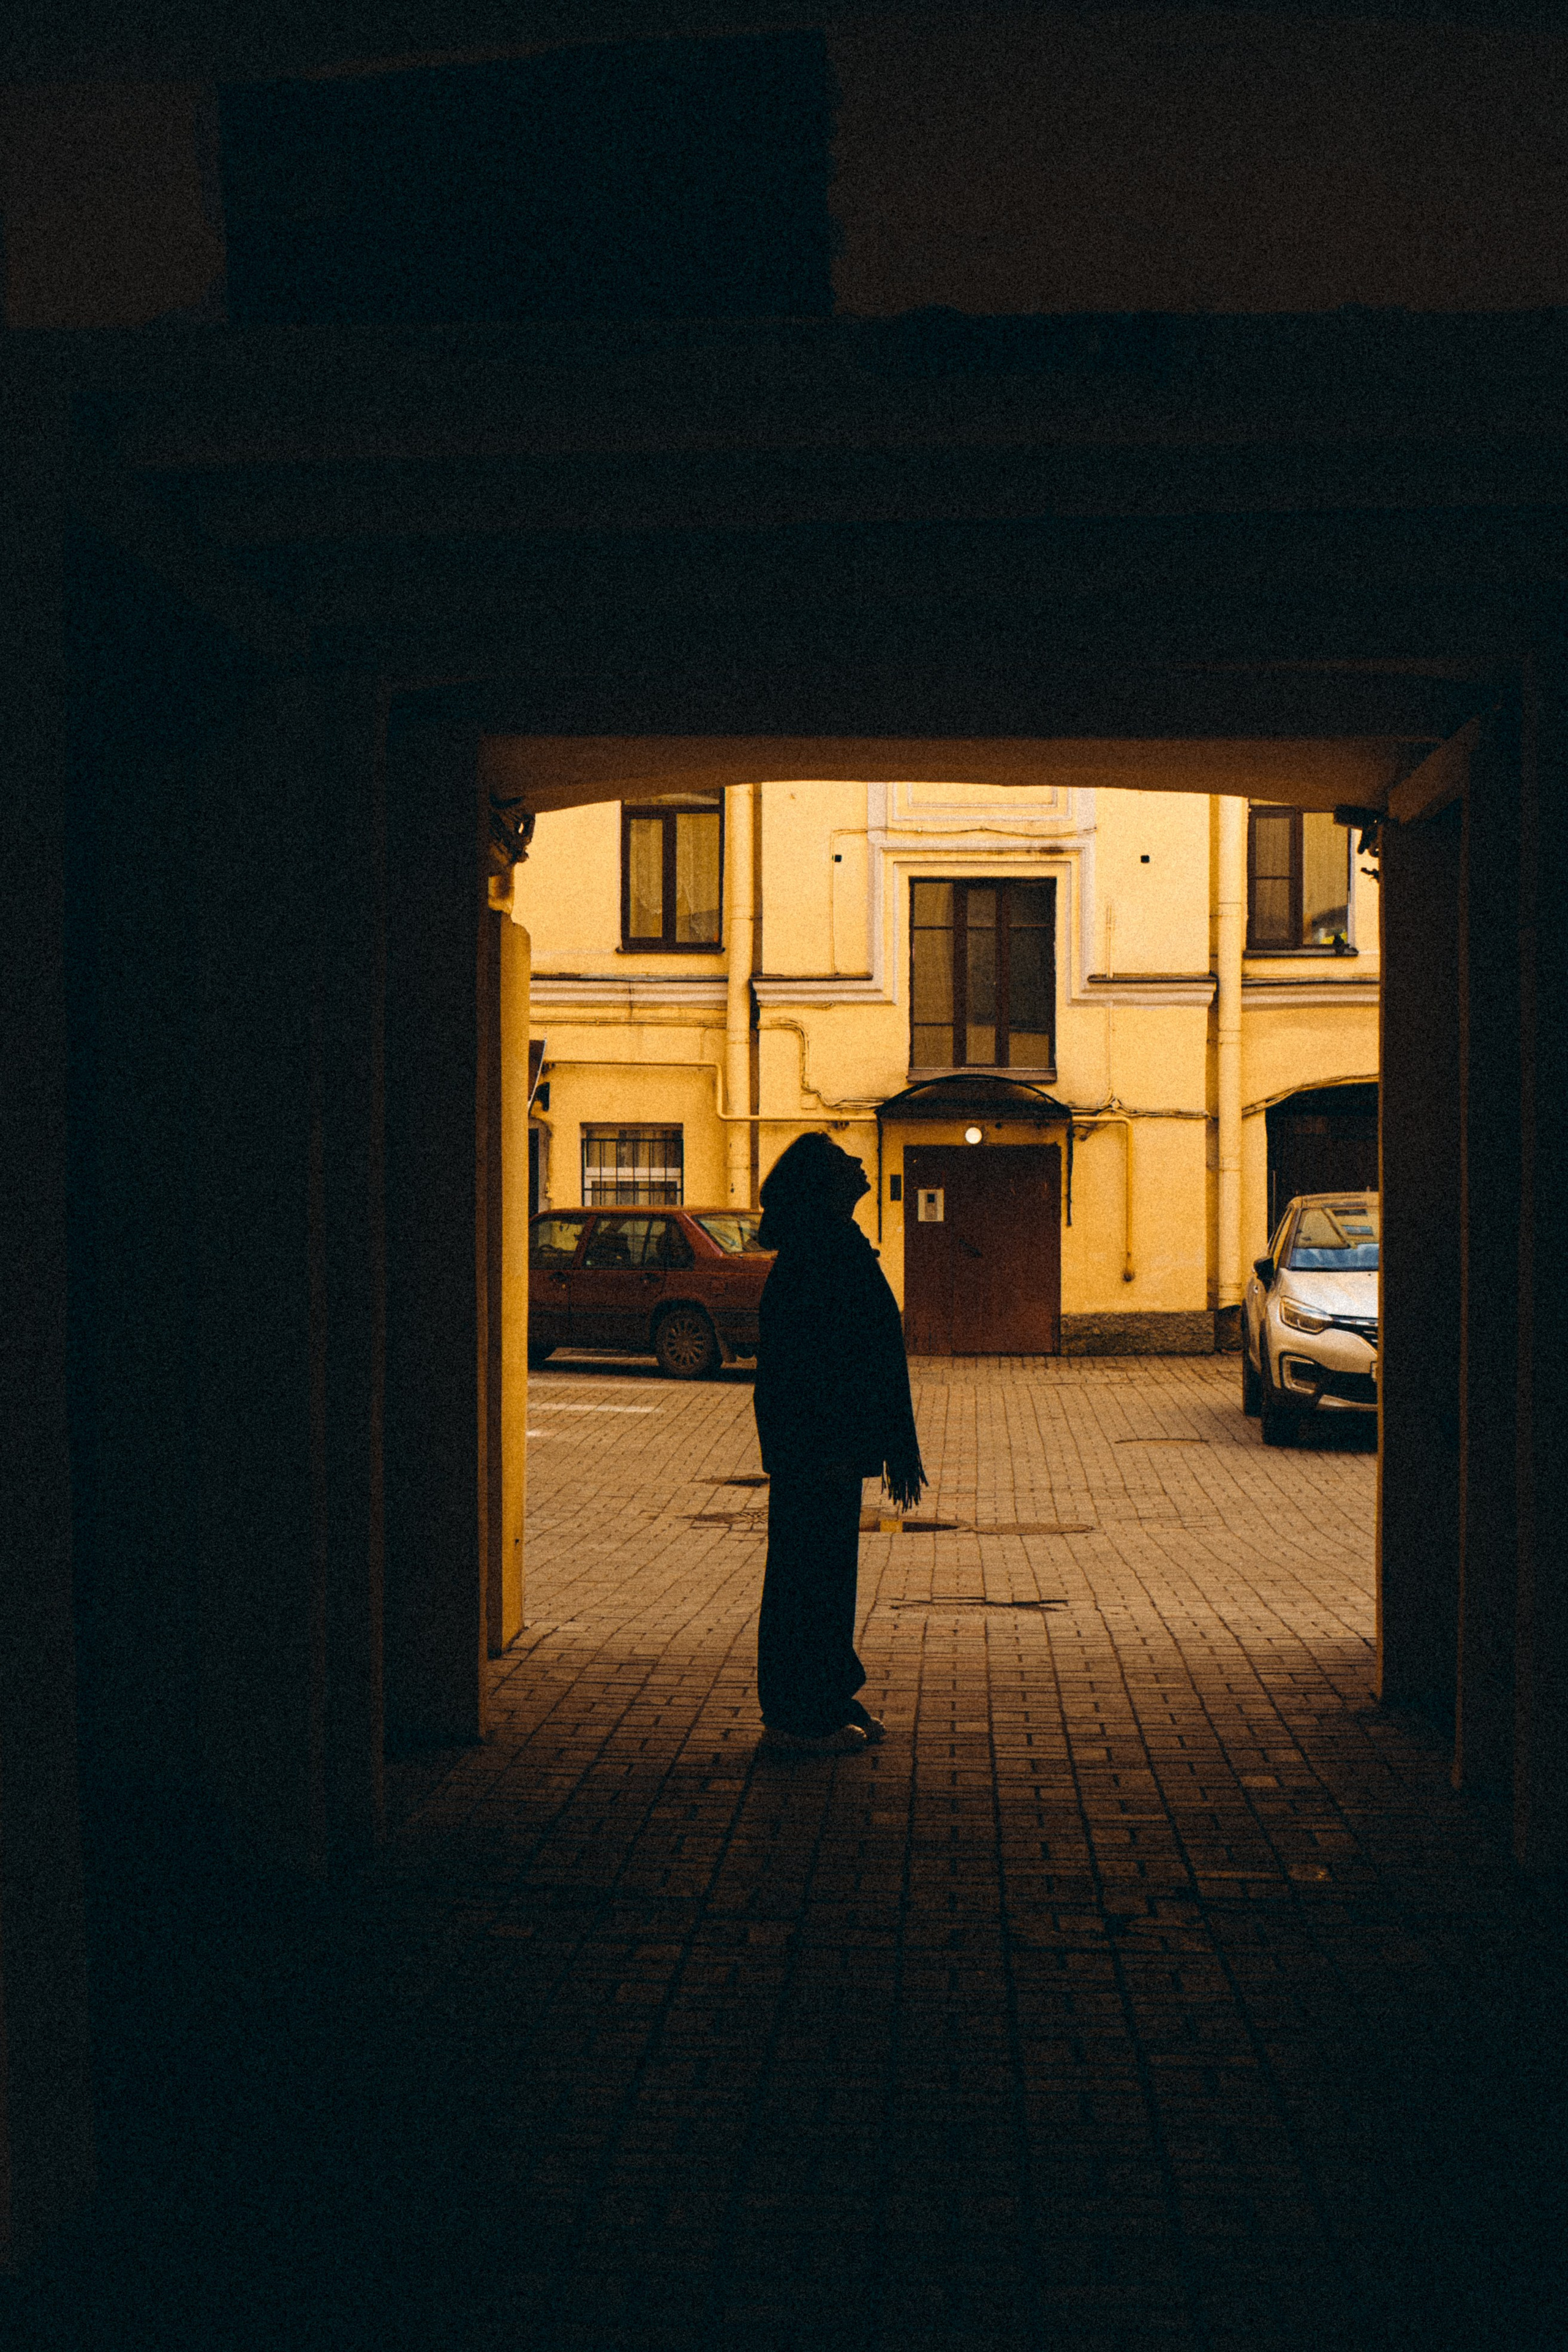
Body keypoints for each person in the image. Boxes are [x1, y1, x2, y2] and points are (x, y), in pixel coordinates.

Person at [751, 1133, 926, 1755]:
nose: (855, 1160)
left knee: (824, 1578)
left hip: (827, 1446)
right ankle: (797, 1718)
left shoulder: (832, 1243)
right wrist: (831, 1447)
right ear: (822, 1184)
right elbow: (812, 1363)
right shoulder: (818, 1253)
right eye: (839, 1156)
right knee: (808, 1580)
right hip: (818, 1448)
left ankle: (825, 1698)